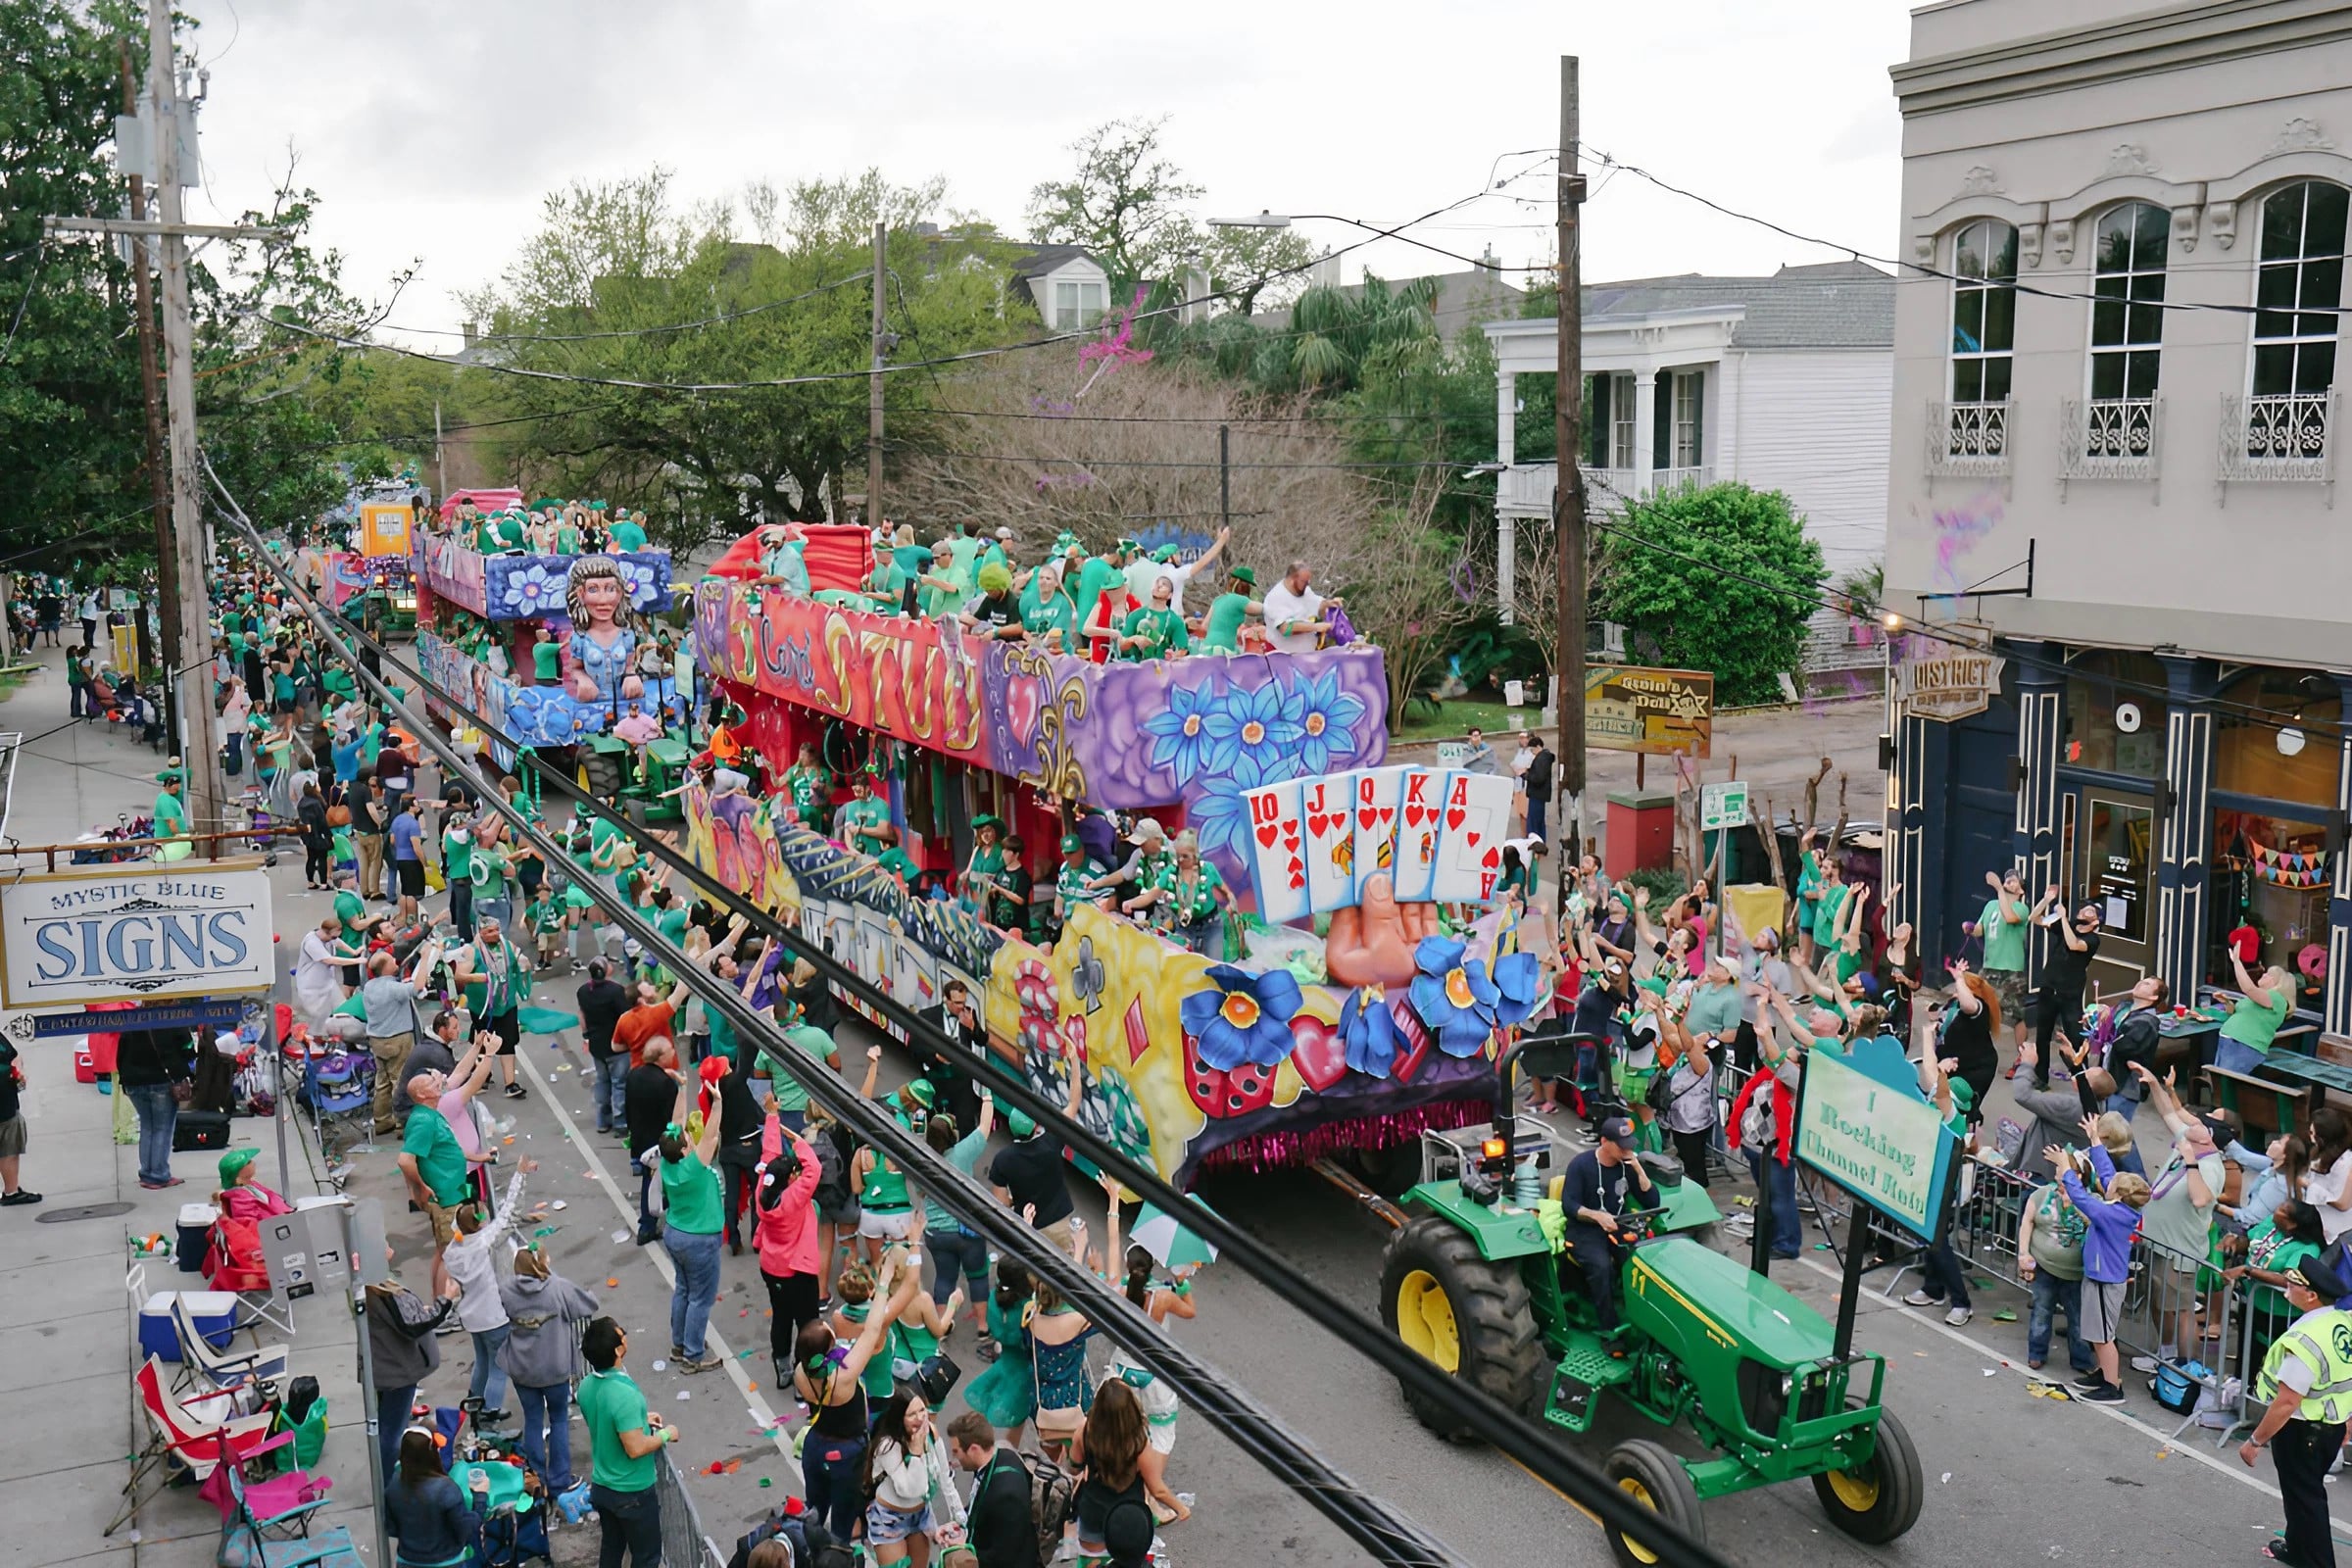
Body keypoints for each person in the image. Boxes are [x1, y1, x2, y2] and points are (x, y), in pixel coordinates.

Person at [794, 1253, 922, 1542]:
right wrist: (884, 1282)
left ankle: (808, 1551)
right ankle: (837, 1557)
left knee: (813, 1511)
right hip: (845, 1452)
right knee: (842, 1521)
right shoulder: (844, 1375)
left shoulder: (801, 1372)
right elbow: (873, 1328)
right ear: (829, 1348)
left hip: (815, 1445)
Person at [2238, 1252, 2352, 1568]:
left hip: (2304, 1431)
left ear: (2311, 1295)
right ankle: (2297, 1548)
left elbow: (2288, 1402)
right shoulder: (2342, 1322)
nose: (2288, 1288)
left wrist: (2255, 1442)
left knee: (2306, 1500)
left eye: (2294, 1285)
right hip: (2331, 1425)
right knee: (2302, 1494)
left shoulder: (2306, 1340)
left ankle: (2317, 1561)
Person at [2124, 1061, 2226, 1372]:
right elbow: (2169, 1112)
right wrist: (2154, 1083)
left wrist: (2191, 1162)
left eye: (2201, 1122)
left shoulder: (2209, 1166)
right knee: (2159, 1303)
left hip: (2179, 1252)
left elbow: (2200, 1198)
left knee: (2180, 1310)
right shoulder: (2188, 1139)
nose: (2191, 1120)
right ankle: (2165, 1354)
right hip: (2158, 1242)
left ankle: (2183, 1368)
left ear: (2208, 1138)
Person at [1101, 1188, 1195, 1523]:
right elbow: (1191, 1311)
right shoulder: (1163, 1298)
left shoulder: (1116, 1288)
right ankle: (1151, 1495)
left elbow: (1112, 1244)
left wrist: (1113, 1202)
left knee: (1125, 1427)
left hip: (1121, 1373)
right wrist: (1182, 1282)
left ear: (1129, 1267)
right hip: (1154, 1378)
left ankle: (1129, 1484)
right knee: (1159, 1431)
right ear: (1151, 1268)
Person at [2053, 1118, 2156, 1403]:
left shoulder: (2112, 1214)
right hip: (2102, 1276)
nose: (2107, 1183)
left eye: (2113, 1185)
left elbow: (2081, 1200)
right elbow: (2108, 1171)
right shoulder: (2120, 1206)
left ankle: (2113, 1386)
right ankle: (2103, 1373)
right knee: (2098, 1333)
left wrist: (2065, 1168)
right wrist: (2096, 1142)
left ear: (2119, 1194)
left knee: (2103, 1336)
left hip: (2105, 1280)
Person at [500, 1245, 601, 1500]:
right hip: (555, 1368)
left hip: (522, 1368)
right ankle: (559, 1480)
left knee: (533, 1420)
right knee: (558, 1420)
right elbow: (589, 1304)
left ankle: (536, 1478)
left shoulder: (505, 1291)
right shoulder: (557, 1287)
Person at [578, 1316, 676, 1568]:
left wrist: (640, 1421)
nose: (626, 1336)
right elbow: (635, 1448)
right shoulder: (623, 1395)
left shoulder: (588, 1385)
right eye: (622, 1334)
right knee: (647, 1557)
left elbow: (606, 1422)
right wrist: (665, 1434)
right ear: (617, 1350)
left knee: (612, 1548)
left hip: (603, 1485)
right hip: (632, 1492)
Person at [445, 1160, 536, 1425]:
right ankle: (489, 1414)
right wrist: (520, 1174)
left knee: (482, 1362)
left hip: (472, 1318)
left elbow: (462, 1224)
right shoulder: (484, 1243)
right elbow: (510, 1211)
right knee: (499, 1367)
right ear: (480, 1221)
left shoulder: (454, 1249)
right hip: (494, 1317)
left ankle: (475, 1403)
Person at [1555, 1115, 1658, 1329]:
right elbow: (1569, 1204)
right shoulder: (1581, 1165)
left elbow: (1651, 1201)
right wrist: (1596, 1215)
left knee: (1643, 1260)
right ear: (1604, 1142)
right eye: (1621, 1147)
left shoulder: (1627, 1166)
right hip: (1585, 1230)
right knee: (1601, 1267)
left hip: (1618, 1224)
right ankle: (1609, 1327)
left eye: (1629, 1146)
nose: (1626, 1151)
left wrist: (1639, 1170)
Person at [658, 1076, 727, 1372]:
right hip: (699, 1239)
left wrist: (682, 1088)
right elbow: (711, 1135)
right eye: (687, 1139)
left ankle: (679, 1344)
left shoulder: (668, 1162)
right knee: (701, 1298)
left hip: (675, 1233)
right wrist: (718, 1104)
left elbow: (676, 1122)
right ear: (686, 1150)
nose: (689, 1136)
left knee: (684, 1289)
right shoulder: (694, 1166)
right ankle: (693, 1354)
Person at [368, 1262, 460, 1481]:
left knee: (388, 1425)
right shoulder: (382, 1292)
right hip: (397, 1372)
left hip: (386, 1368)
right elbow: (414, 1325)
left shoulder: (369, 1290)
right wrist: (445, 1298)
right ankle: (389, 1483)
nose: (388, 1246)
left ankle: (387, 1476)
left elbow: (401, 1320)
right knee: (392, 1433)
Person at [752, 1113, 823, 1386]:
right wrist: (798, 1143)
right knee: (807, 1324)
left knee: (781, 1317)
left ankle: (782, 1368)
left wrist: (771, 1117)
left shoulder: (764, 1191)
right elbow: (813, 1169)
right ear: (791, 1177)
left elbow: (769, 1152)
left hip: (772, 1268)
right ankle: (805, 1377)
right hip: (798, 1271)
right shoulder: (795, 1197)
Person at [399, 1071, 477, 1298]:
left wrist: (477, 1157)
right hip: (445, 1198)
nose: (438, 1083)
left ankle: (442, 1299)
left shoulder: (432, 1114)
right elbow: (405, 1160)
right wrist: (421, 1187)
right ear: (422, 1094)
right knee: (450, 1254)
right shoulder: (424, 1121)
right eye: (432, 1083)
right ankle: (445, 1307)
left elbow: (447, 1148)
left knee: (446, 1251)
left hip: (456, 1190)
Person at [2016, 1169, 2096, 1379]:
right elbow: (2027, 1221)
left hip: (2077, 1272)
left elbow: (2094, 1222)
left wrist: (2076, 1202)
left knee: (2078, 1317)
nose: (2058, 1175)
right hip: (2044, 1266)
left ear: (2079, 1175)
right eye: (2058, 1171)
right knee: (2041, 1310)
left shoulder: (2091, 1199)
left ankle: (2082, 1359)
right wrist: (2023, 1253)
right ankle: (2036, 1353)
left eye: (2065, 1171)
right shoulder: (2042, 1194)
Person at [1070, 1379, 1151, 1565]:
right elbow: (1155, 1485)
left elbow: (1074, 1466)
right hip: (1129, 1518)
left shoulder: (1084, 1430)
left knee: (1089, 1561)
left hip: (1093, 1512)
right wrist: (1179, 1507)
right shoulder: (1139, 1440)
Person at [948, 1411, 1043, 1568]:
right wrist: (958, 1525)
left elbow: (1002, 1558)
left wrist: (962, 1548)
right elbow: (979, 1506)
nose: (954, 1458)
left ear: (974, 1449)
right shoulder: (1001, 1456)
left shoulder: (1006, 1496)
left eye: (956, 1452)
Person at [453, 913, 531, 1101]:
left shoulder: (506, 945)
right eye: (490, 931)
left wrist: (524, 965)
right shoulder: (472, 951)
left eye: (497, 930)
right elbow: (459, 975)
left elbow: (521, 959)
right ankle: (482, 1078)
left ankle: (510, 1084)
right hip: (482, 1006)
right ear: (481, 932)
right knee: (483, 1041)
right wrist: (478, 978)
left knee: (508, 1041)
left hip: (506, 1003)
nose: (495, 934)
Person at [386, 1425, 488, 1568]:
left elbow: (391, 1528)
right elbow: (466, 1531)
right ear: (432, 1452)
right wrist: (480, 1498)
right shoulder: (446, 1489)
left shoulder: (393, 1485)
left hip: (407, 1561)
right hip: (447, 1563)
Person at [2029, 892, 2102, 1088]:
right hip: (2049, 987)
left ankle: (2082, 1079)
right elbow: (2034, 918)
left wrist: (2062, 918)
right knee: (2042, 1035)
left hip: (2070, 994)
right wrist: (2045, 899)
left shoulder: (2093, 939)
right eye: (2084, 908)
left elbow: (2073, 945)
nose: (2085, 911)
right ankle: (2041, 1078)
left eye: (2091, 911)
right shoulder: (2067, 925)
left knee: (2076, 1036)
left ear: (2096, 922)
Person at [361, 947, 436, 1135]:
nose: (395, 960)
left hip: (377, 1039)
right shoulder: (394, 989)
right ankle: (403, 1123)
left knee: (382, 1080)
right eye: (391, 960)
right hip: (397, 1039)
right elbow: (418, 987)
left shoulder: (369, 987)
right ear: (385, 969)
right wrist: (426, 959)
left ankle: (382, 1120)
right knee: (401, 1080)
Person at [862, 1390, 942, 1566]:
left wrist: (958, 1515)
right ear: (900, 1418)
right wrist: (916, 1453)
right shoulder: (888, 1445)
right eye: (912, 1414)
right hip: (889, 1519)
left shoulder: (928, 1433)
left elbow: (941, 1474)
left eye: (922, 1410)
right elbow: (909, 1489)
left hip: (920, 1514)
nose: (920, 1418)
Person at [116, 1026, 192, 1190]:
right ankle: (158, 1174)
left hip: (133, 1082)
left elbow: (120, 1052)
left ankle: (147, 1172)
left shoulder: (134, 1021)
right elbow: (188, 1048)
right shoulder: (172, 1020)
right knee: (162, 1129)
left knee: (147, 1126)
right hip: (161, 1081)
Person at [1962, 868, 2030, 1043]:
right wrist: (1969, 927)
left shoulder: (2021, 908)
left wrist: (1999, 889)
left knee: (2016, 1016)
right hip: (1989, 966)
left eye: (2014, 880)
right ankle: (1979, 1047)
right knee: (1980, 1009)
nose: (2008, 881)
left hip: (2011, 969)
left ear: (2020, 890)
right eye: (2007, 879)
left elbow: (2010, 918)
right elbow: (1979, 930)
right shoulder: (1990, 905)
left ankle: (2021, 1057)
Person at [2215, 948, 2297, 1075]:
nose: (2264, 974)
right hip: (2228, 1043)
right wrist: (2226, 1002)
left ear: (2279, 984)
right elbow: (2234, 1012)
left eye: (2269, 975)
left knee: (2226, 1087)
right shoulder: (2256, 997)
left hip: (2243, 1047)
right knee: (2219, 1083)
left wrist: (2237, 961)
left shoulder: (2278, 999)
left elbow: (2248, 988)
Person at [578, 959, 630, 1135]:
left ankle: (603, 1120)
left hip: (597, 1045)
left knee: (602, 1080)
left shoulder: (583, 992)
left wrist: (586, 1036)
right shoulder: (616, 991)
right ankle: (620, 1122)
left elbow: (582, 1016)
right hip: (617, 1045)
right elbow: (626, 1017)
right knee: (619, 1083)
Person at [1260, 560, 1338, 654]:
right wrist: (1315, 627)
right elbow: (1285, 629)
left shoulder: (1305, 591)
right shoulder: (1275, 598)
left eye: (1308, 582)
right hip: (1283, 656)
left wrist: (1329, 603)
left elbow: (1317, 604)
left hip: (1307, 653)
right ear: (1292, 579)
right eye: (1304, 582)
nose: (1307, 585)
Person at [214, 1147, 291, 1225]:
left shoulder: (251, 1185)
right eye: (248, 1162)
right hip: (271, 1230)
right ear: (238, 1177)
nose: (252, 1162)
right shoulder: (240, 1200)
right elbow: (248, 1224)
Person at [0, 1040, 35, 1207]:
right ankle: (11, 1192)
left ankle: (12, 1190)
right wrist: (10, 1072)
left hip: (7, 1100)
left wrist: (16, 1070)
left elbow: (14, 1056)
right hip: (3, 1106)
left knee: (10, 1148)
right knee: (8, 1149)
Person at [1520, 734, 1554, 840]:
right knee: (1539, 821)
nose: (1531, 752)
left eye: (1532, 749)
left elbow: (1538, 778)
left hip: (1537, 793)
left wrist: (1525, 775)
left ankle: (1534, 842)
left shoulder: (1541, 759)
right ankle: (1540, 841)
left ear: (1538, 747)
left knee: (1533, 821)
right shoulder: (1545, 758)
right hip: (1541, 794)